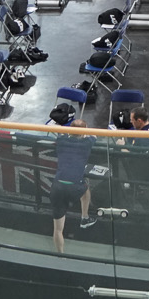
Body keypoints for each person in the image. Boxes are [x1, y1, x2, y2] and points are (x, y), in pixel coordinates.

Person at [47, 106, 95, 253]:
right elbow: (94, 136)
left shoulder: (61, 140)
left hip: (57, 186)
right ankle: (84, 217)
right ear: (84, 133)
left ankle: (60, 256)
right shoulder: (88, 142)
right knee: (86, 189)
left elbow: (54, 130)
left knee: (58, 229)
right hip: (75, 186)